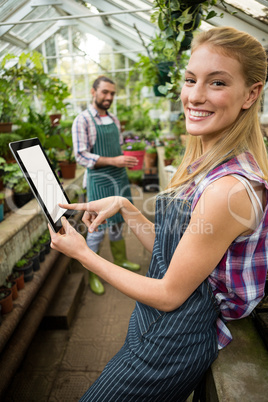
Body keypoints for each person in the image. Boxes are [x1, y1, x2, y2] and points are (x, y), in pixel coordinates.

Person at [49, 27, 268, 401]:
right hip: (155, 325)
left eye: (216, 83)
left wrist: (84, 255)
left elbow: (169, 293)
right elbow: (177, 256)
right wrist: (126, 205)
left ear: (251, 93)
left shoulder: (226, 189)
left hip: (172, 341)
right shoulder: (209, 166)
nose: (194, 95)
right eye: (189, 79)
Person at [72, 76, 140, 295]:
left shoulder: (114, 119)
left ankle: (121, 260)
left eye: (112, 93)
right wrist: (114, 161)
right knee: (97, 228)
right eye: (104, 92)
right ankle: (94, 273)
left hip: (118, 177)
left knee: (119, 221)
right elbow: (81, 156)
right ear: (93, 92)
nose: (109, 97)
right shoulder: (82, 120)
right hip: (99, 180)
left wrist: (121, 161)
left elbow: (116, 148)